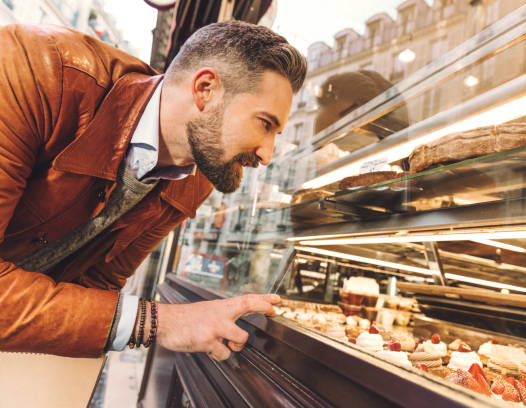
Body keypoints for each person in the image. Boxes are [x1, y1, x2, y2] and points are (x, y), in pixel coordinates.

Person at [0, 21, 307, 361]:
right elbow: (113, 309)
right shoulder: (35, 69)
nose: (267, 153)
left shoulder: (194, 179)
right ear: (205, 89)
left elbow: (97, 284)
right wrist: (161, 321)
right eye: (265, 124)